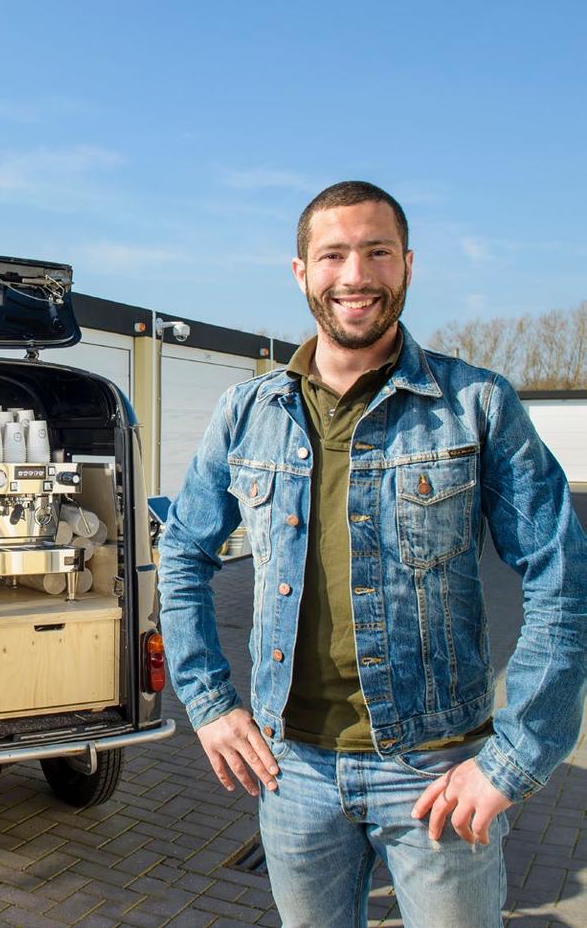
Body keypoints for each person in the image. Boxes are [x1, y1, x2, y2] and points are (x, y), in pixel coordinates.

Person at [158, 180, 587, 927]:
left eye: (376, 252)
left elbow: (563, 575)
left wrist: (512, 759)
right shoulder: (246, 412)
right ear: (302, 273)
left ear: (408, 265)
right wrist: (208, 701)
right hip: (291, 772)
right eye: (333, 254)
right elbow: (184, 551)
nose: (354, 275)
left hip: (437, 773)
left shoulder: (476, 404)